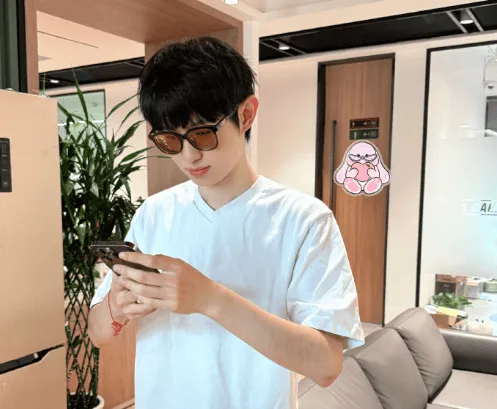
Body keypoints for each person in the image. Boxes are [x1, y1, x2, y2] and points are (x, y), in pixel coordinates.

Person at [88, 36, 364, 409]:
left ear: (246, 114)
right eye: (170, 140)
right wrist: (116, 307)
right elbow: (98, 333)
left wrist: (210, 298)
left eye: (202, 133)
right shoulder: (153, 213)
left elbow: (326, 365)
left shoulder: (303, 220)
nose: (189, 156)